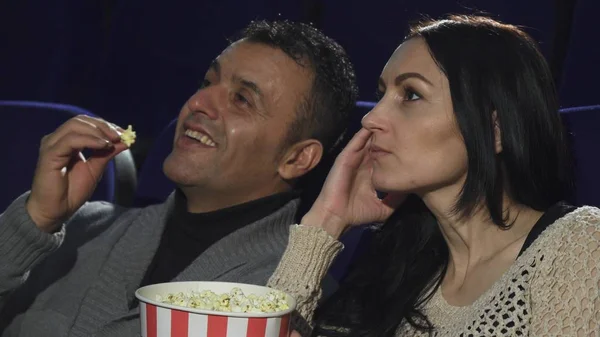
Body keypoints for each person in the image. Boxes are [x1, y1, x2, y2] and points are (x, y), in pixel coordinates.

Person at [0, 20, 358, 336]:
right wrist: (35, 222)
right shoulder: (76, 226)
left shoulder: (297, 301)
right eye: (207, 82)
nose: (199, 103)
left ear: (297, 158)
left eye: (242, 100)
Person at [269, 15, 600, 336]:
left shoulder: (579, 243)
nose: (371, 118)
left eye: (411, 95)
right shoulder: (395, 269)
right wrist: (326, 220)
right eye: (382, 94)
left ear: (494, 129)